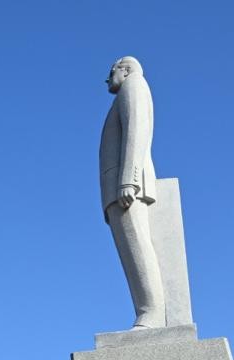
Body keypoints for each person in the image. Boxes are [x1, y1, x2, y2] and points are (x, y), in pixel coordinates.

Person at [99, 55, 164, 329]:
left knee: (137, 245)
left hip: (127, 187)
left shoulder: (134, 85)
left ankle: (152, 312)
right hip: (119, 188)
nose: (107, 79)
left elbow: (137, 129)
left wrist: (129, 179)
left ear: (124, 70)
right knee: (131, 250)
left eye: (111, 71)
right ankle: (147, 310)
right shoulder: (125, 91)